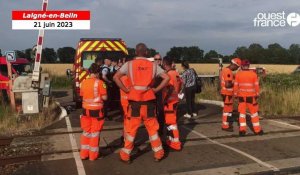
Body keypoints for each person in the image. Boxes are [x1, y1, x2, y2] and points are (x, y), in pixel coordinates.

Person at [113, 43, 170, 163]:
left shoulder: (129, 65)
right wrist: (155, 89)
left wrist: (126, 90)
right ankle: (159, 153)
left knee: (132, 129)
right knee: (153, 129)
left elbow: (115, 77)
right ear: (147, 52)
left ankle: (125, 155)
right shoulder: (153, 66)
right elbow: (167, 78)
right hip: (149, 102)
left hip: (134, 103)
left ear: (135, 52)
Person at [79, 63, 107, 161]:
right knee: (95, 133)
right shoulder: (100, 83)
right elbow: (105, 97)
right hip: (97, 111)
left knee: (86, 132)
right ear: (98, 72)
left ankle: (83, 154)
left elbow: (82, 95)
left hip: (85, 110)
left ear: (90, 72)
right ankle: (93, 155)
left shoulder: (84, 82)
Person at [234, 59, 264, 136]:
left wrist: (235, 95)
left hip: (241, 97)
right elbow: (256, 86)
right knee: (254, 114)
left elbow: (236, 86)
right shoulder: (253, 74)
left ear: (241, 66)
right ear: (249, 66)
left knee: (242, 114)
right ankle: (257, 130)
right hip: (251, 97)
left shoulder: (238, 74)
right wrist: (257, 94)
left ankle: (242, 130)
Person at [162, 56, 182, 151]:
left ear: (165, 64)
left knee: (171, 123)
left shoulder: (169, 74)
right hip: (175, 100)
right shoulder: (176, 73)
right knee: (171, 122)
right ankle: (170, 141)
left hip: (169, 102)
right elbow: (180, 84)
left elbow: (169, 88)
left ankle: (176, 144)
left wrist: (165, 99)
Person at [220, 58, 241, 132]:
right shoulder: (228, 71)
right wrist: (235, 82)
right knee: (227, 110)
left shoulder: (226, 70)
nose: (237, 69)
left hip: (226, 93)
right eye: (237, 67)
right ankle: (225, 126)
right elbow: (227, 85)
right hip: (227, 93)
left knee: (228, 110)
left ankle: (226, 124)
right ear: (234, 65)